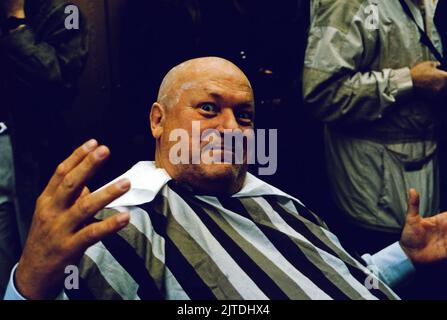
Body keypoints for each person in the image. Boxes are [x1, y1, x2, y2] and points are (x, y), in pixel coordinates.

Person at [4, 57, 447, 300]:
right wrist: (29, 284)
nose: (233, 129)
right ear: (158, 121)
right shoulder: (122, 222)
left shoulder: (277, 202)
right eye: (209, 109)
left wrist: (403, 256)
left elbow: (319, 280)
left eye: (245, 116)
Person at [302, 0, 446, 254]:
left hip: (424, 181)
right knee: (378, 279)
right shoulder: (346, 3)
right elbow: (322, 93)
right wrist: (408, 81)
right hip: (373, 193)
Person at [0, 0, 87, 296]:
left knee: (41, 260)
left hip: (35, 157)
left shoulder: (67, 12)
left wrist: (16, 20)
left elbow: (57, 79)